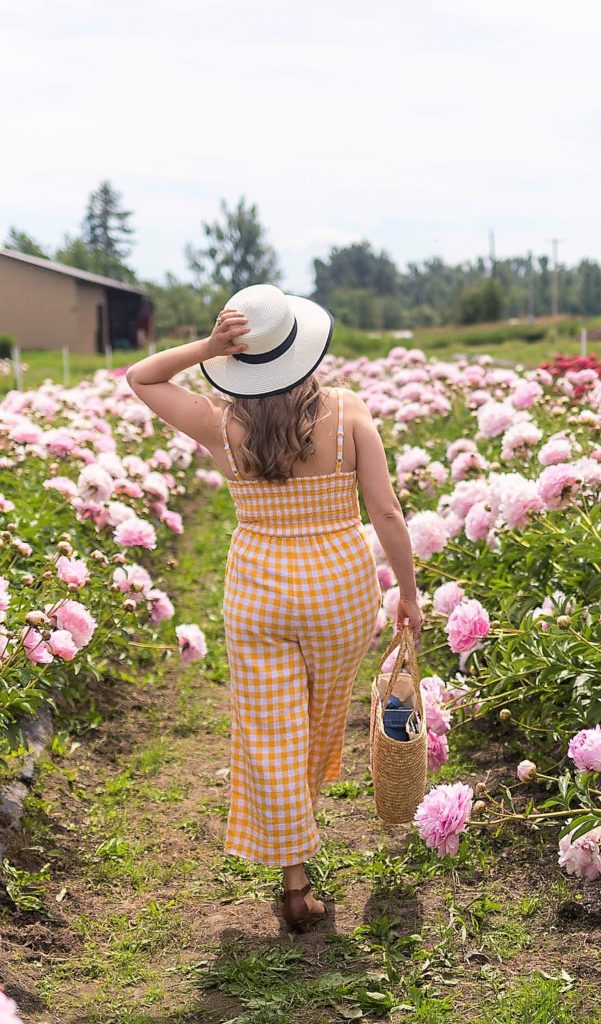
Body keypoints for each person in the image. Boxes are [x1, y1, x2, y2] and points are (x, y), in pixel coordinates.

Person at [126, 284, 421, 931]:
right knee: (316, 721)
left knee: (270, 732)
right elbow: (387, 513)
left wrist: (204, 348)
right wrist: (407, 588)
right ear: (302, 349)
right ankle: (299, 832)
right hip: (338, 591)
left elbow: (141, 377)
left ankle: (294, 878)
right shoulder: (346, 413)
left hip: (257, 590)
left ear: (236, 359)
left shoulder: (221, 424)